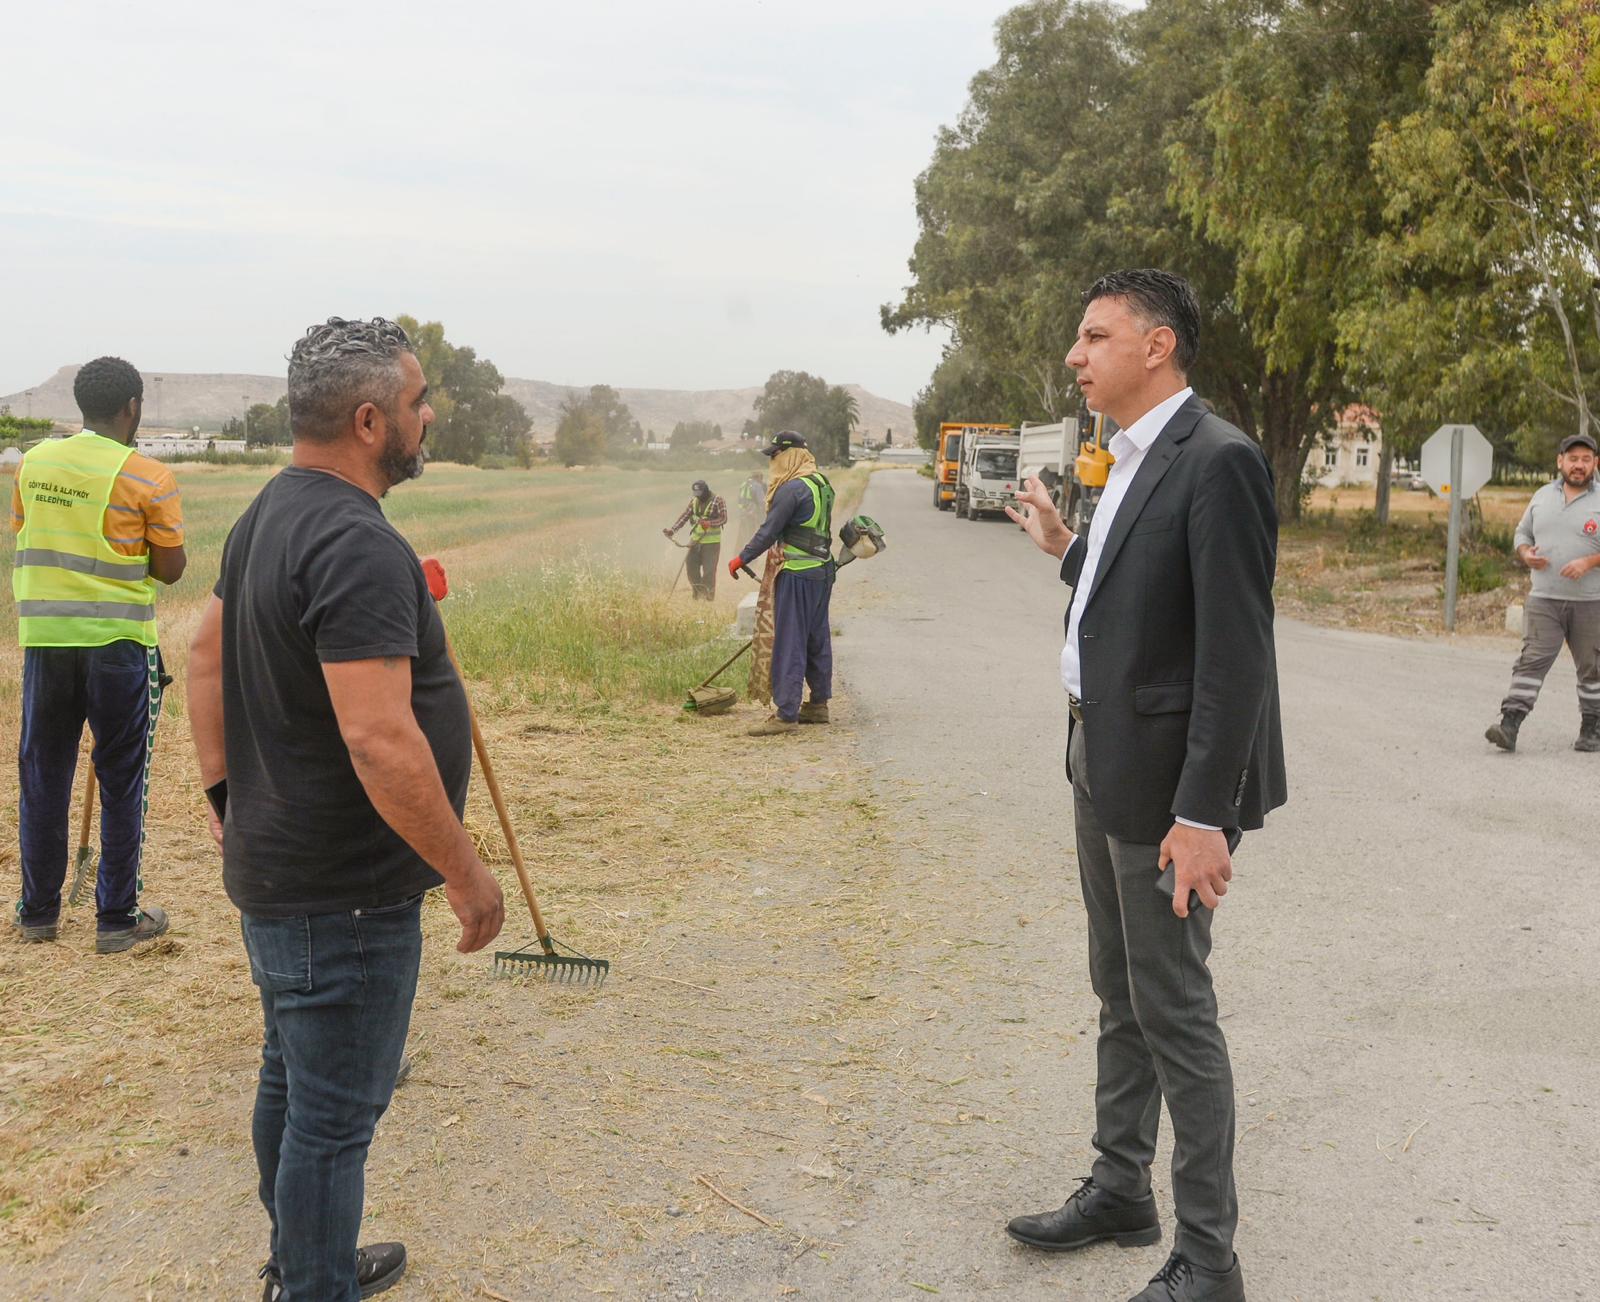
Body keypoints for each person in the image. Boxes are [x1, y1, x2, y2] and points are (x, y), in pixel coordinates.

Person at [186, 317, 506, 1302]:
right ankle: (312, 1283)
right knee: (330, 1122)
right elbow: (378, 737)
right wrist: (465, 871)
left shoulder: (268, 513)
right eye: (417, 401)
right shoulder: (355, 541)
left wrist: (226, 797)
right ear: (370, 422)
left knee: (290, 1083)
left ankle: (303, 1261)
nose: (429, 415)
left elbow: (202, 656)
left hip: (284, 876)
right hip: (345, 897)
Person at [1003, 270, 1284, 1302]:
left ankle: (1209, 1260)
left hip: (1170, 795)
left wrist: (1203, 814)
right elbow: (1143, 588)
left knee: (1174, 1010)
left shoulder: (1219, 459)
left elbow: (1235, 654)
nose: (1074, 355)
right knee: (1119, 990)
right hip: (1100, 761)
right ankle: (1121, 1188)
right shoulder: (1128, 454)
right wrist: (1066, 549)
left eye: (1094, 336)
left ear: (1156, 346)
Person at [11, 356, 186, 951]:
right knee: (121, 780)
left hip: (46, 644)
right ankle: (116, 919)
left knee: (43, 777)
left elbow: (26, 532)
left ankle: (38, 913)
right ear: (132, 406)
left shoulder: (33, 463)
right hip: (118, 646)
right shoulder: (149, 476)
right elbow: (170, 570)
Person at [1485, 432, 1600, 753]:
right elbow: (1522, 533)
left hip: (1591, 602)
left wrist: (1589, 562)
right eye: (1573, 459)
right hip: (1544, 599)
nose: (1579, 465)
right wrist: (1525, 553)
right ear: (1560, 461)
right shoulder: (1542, 495)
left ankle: (1592, 728)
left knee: (1592, 667)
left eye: (1586, 459)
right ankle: (1509, 725)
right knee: (1532, 660)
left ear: (1595, 463)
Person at [730, 431, 834, 737]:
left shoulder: (792, 489)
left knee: (790, 640)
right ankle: (818, 704)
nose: (773, 461)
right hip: (822, 571)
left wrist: (741, 558)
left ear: (789, 455)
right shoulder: (821, 483)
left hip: (797, 573)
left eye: (775, 455)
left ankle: (786, 713)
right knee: (816, 637)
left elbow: (769, 531)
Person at [663, 479, 727, 600]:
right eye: (696, 493)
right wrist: (673, 530)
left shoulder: (718, 500)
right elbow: (685, 516)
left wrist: (709, 523)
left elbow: (723, 518)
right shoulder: (694, 501)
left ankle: (707, 597)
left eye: (700, 493)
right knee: (691, 569)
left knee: (709, 572)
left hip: (711, 542)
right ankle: (697, 594)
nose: (698, 496)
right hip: (695, 540)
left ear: (706, 490)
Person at [737, 469, 766, 549]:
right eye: (761, 478)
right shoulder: (757, 485)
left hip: (742, 513)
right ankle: (750, 553)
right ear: (758, 477)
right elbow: (762, 502)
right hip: (752, 514)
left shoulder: (743, 484)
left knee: (742, 536)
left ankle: (738, 551)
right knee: (751, 536)